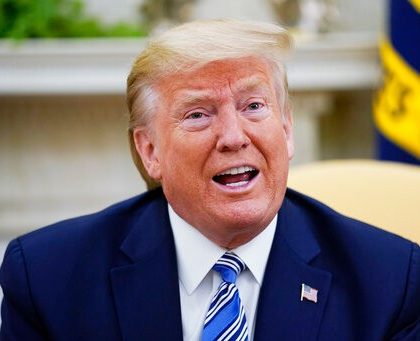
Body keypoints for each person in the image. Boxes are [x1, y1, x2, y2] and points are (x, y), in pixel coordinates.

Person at [0, 19, 419, 340]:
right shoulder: (48, 278)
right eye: (198, 114)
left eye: (253, 106)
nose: (234, 137)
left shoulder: (389, 281)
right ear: (150, 151)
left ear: (287, 130)